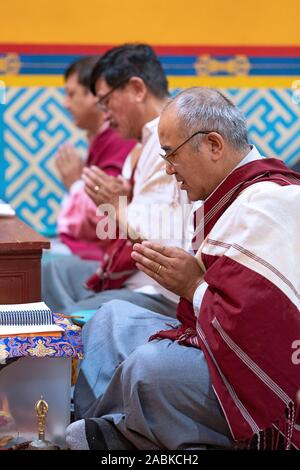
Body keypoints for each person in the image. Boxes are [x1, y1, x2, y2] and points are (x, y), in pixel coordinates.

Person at [66, 87, 300, 450]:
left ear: (214, 145)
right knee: (110, 320)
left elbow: (264, 331)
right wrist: (194, 284)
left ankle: (119, 432)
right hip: (212, 333)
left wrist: (193, 286)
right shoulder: (232, 197)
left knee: (148, 369)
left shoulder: (269, 202)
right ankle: (117, 428)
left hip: (272, 381)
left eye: (172, 154)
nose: (168, 168)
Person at [42, 44, 190, 317]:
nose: (105, 113)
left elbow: (158, 240)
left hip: (156, 289)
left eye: (106, 101)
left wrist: (116, 205)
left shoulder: (169, 143)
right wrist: (120, 203)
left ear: (137, 89)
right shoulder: (138, 147)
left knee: (67, 319)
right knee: (49, 271)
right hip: (132, 276)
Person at [53, 56, 136, 260]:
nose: (65, 103)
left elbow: (106, 219)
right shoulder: (102, 139)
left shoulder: (119, 140)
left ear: (95, 95)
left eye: (71, 94)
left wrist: (75, 184)